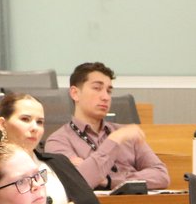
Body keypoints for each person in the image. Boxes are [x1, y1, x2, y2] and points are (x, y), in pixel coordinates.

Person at [0, 92, 111, 204]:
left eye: (39, 122)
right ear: (3, 124)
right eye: (25, 119)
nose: (34, 128)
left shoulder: (58, 162)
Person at [43, 62, 169, 191]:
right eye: (97, 88)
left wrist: (109, 181)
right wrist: (114, 140)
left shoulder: (125, 134)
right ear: (75, 93)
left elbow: (161, 175)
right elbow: (79, 182)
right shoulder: (58, 141)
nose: (105, 97)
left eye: (109, 91)